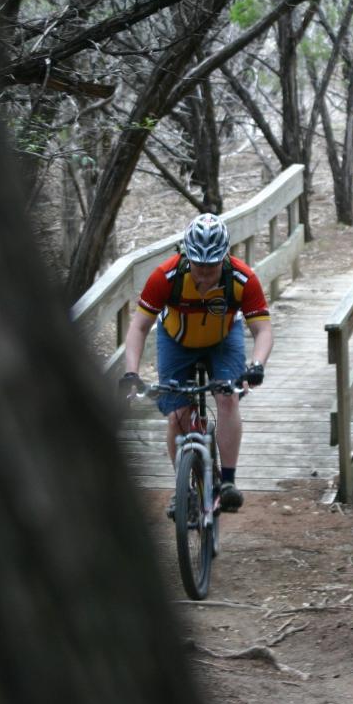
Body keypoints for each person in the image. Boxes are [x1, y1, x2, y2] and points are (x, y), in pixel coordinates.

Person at [121, 212, 274, 513]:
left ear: (224, 257)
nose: (204, 273)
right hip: (176, 341)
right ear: (187, 255)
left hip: (222, 340)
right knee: (177, 412)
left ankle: (228, 482)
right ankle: (183, 489)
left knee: (227, 398)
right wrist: (131, 372)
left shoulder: (242, 279)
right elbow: (138, 327)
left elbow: (263, 329)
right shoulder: (165, 277)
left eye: (211, 265)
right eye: (198, 264)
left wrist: (256, 364)